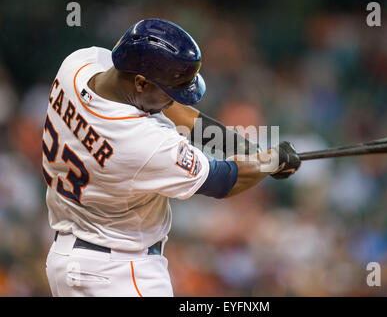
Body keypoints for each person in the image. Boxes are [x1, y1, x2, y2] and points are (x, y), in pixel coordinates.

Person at [43, 18, 301, 297]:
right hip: (120, 272)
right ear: (141, 83)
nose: (172, 100)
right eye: (170, 92)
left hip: (65, 261)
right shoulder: (143, 142)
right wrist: (271, 162)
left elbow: (176, 113)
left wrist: (250, 150)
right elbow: (224, 180)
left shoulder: (79, 65)